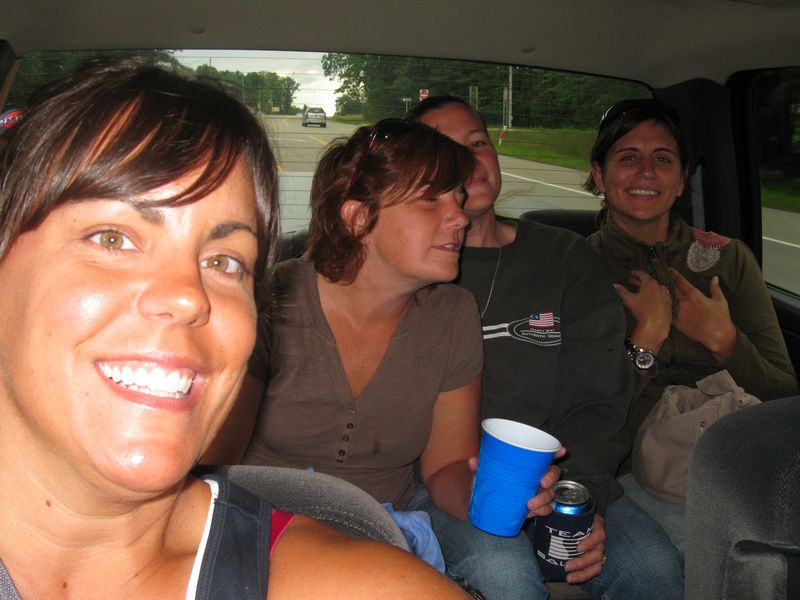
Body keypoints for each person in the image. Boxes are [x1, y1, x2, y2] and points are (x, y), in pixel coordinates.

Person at [0, 58, 471, 600]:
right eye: (112, 238)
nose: (188, 295)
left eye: (224, 262)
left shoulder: (355, 582)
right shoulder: (291, 301)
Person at [205, 117, 565, 597]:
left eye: (458, 198)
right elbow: (213, 464)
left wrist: (494, 496)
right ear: (359, 219)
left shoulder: (454, 313)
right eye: (431, 199)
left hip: (386, 519)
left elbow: (444, 467)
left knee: (509, 574)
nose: (460, 217)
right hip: (263, 512)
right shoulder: (273, 299)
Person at [409, 95, 685, 600]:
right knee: (507, 577)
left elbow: (598, 398)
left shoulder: (564, 257)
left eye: (478, 143)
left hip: (561, 478)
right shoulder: (410, 266)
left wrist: (581, 497)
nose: (469, 159)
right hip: (444, 483)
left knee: (654, 569)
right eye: (446, 150)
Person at [585, 98, 799, 554]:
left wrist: (725, 343)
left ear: (683, 179)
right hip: (636, 472)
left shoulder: (728, 259)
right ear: (600, 176)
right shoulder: (577, 267)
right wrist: (647, 339)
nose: (647, 172)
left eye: (663, 159)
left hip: (733, 460)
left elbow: (784, 394)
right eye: (628, 157)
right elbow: (582, 415)